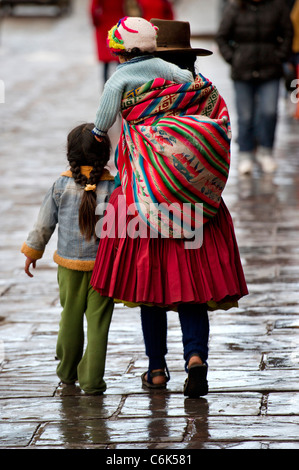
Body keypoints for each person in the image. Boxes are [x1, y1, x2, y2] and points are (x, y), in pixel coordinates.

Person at [90, 18, 248, 398]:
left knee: (151, 289)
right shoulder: (203, 92)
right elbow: (221, 139)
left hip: (140, 202)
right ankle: (195, 359)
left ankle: (156, 369)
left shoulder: (128, 88)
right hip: (197, 202)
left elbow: (101, 128)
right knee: (192, 287)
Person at [21, 123, 115, 395]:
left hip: (69, 267)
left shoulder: (61, 185)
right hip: (104, 268)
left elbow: (43, 225)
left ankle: (67, 372)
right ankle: (92, 381)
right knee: (98, 324)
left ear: (70, 154)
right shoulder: (114, 188)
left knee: (70, 316)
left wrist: (32, 251)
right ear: (105, 154)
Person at [91, 16, 199, 143]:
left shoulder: (119, 77)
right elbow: (186, 78)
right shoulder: (164, 65)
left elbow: (107, 109)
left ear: (121, 53)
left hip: (140, 135)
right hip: (168, 128)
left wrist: (100, 130)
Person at [216, 0, 293, 175]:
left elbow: (288, 33)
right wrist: (234, 59)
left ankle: (266, 152)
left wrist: (279, 56)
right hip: (243, 71)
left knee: (269, 112)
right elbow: (222, 36)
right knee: (245, 115)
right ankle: (245, 154)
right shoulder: (235, 7)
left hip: (270, 70)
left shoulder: (277, 7)